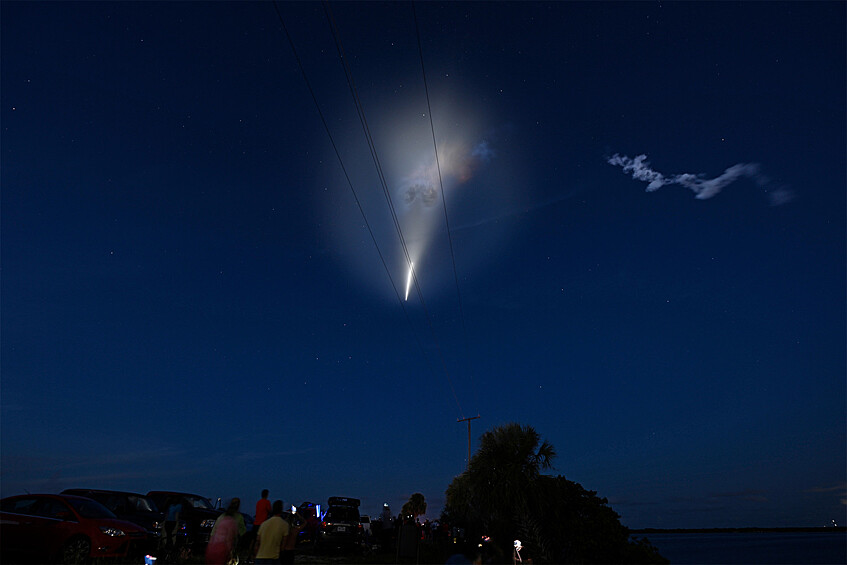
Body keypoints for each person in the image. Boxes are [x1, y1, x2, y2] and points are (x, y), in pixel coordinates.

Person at [206, 499, 241, 565]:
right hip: (221, 550)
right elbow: (229, 540)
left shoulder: (221, 519)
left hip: (211, 548)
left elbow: (212, 534)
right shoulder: (232, 522)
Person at [255, 500, 288, 565]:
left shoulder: (264, 524)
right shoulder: (284, 525)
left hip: (260, 557)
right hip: (273, 557)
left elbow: (258, 541)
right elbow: (283, 544)